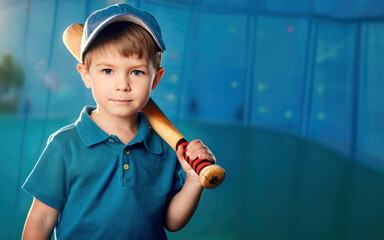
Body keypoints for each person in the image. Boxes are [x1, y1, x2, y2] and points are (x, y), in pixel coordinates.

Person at [21, 3, 216, 240]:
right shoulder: (65, 145)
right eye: (107, 71)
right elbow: (40, 219)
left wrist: (194, 182)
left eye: (137, 72)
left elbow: (170, 221)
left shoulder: (165, 147)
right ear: (85, 74)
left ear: (156, 78)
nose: (122, 84)